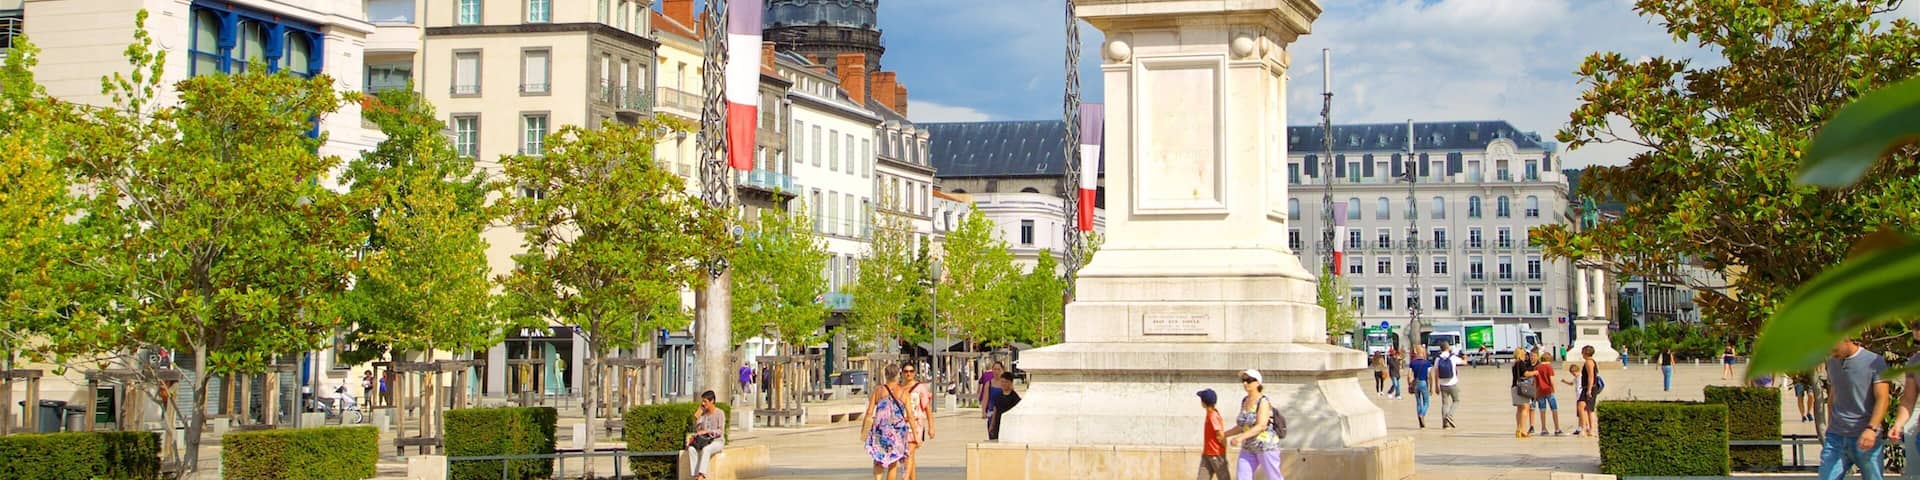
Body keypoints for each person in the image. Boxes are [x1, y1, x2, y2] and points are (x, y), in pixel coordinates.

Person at [1819, 338, 1890, 480]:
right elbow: (1833, 395)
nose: (1832, 353)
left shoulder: (1874, 361)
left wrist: (1871, 429)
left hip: (1866, 435)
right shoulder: (1832, 362)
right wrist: (1831, 424)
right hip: (1836, 437)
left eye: (1833, 349)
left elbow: (1882, 398)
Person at [1224, 369, 1283, 480]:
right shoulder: (1245, 400)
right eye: (1243, 380)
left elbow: (1261, 426)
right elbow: (1242, 426)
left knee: (1274, 477)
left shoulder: (1263, 401)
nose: (1245, 383)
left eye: (1249, 380)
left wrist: (1240, 438)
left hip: (1265, 447)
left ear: (1258, 383)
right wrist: (1225, 434)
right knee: (1242, 477)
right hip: (1248, 448)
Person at [863, 366, 917, 480]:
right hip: (898, 431)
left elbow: (869, 412)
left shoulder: (878, 391)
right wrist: (915, 435)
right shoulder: (903, 392)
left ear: (885, 375)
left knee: (878, 459)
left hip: (880, 430)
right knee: (893, 461)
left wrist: (864, 431)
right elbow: (910, 416)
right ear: (898, 375)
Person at [900, 364, 934, 480]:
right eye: (906, 371)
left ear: (914, 373)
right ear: (902, 373)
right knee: (910, 456)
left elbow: (927, 408)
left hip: (916, 424)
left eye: (911, 371)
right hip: (902, 425)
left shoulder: (921, 388)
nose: (908, 374)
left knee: (908, 453)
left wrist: (931, 427)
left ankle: (905, 478)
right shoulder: (899, 388)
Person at [686, 390, 726, 480]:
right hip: (704, 441)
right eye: (702, 401)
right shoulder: (703, 414)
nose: (703, 404)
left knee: (706, 449)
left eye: (705, 401)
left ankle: (701, 475)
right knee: (691, 449)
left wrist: (707, 431)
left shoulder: (720, 413)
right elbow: (698, 429)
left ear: (712, 401)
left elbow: (720, 431)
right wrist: (698, 415)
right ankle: (695, 475)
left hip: (717, 441)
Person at [1196, 388, 1229, 480]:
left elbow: (1220, 434)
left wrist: (1222, 452)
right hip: (1207, 453)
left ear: (1204, 403)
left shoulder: (1213, 416)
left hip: (1216, 453)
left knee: (1223, 477)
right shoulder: (1210, 414)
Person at [1435, 341, 1465, 429]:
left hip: (1442, 384)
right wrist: (1465, 357)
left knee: (1445, 404)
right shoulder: (1452, 357)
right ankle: (1450, 415)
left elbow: (1436, 373)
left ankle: (1445, 424)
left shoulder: (1438, 359)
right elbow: (1464, 362)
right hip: (1453, 383)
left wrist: (1436, 386)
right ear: (1448, 348)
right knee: (1456, 401)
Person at [1533, 352, 1563, 436]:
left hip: (1540, 391)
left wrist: (1535, 393)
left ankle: (1543, 428)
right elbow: (1551, 380)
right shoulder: (1549, 367)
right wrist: (1553, 389)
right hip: (1549, 390)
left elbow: (1535, 382)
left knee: (1542, 410)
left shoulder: (1536, 367)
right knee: (1554, 409)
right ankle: (1557, 428)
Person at [1511, 349, 1538, 438]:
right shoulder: (1521, 363)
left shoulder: (1515, 363)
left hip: (1515, 387)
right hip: (1522, 388)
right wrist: (1535, 372)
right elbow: (1526, 374)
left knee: (1519, 409)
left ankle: (1518, 429)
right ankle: (1523, 430)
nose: (1526, 356)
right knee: (1525, 408)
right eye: (1524, 354)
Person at [987, 375, 1021, 440]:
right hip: (998, 424)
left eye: (1006, 382)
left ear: (1011, 383)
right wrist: (992, 425)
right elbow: (995, 410)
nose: (1004, 384)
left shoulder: (1014, 397)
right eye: (1002, 382)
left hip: (1010, 425)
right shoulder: (998, 395)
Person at [1408, 349, 1433, 429]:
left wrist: (1409, 385)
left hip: (1416, 383)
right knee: (1426, 402)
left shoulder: (1412, 363)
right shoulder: (1427, 363)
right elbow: (1429, 376)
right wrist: (1431, 387)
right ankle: (1422, 414)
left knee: (1418, 403)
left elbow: (1409, 375)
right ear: (1423, 353)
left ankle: (1420, 421)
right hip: (1423, 383)